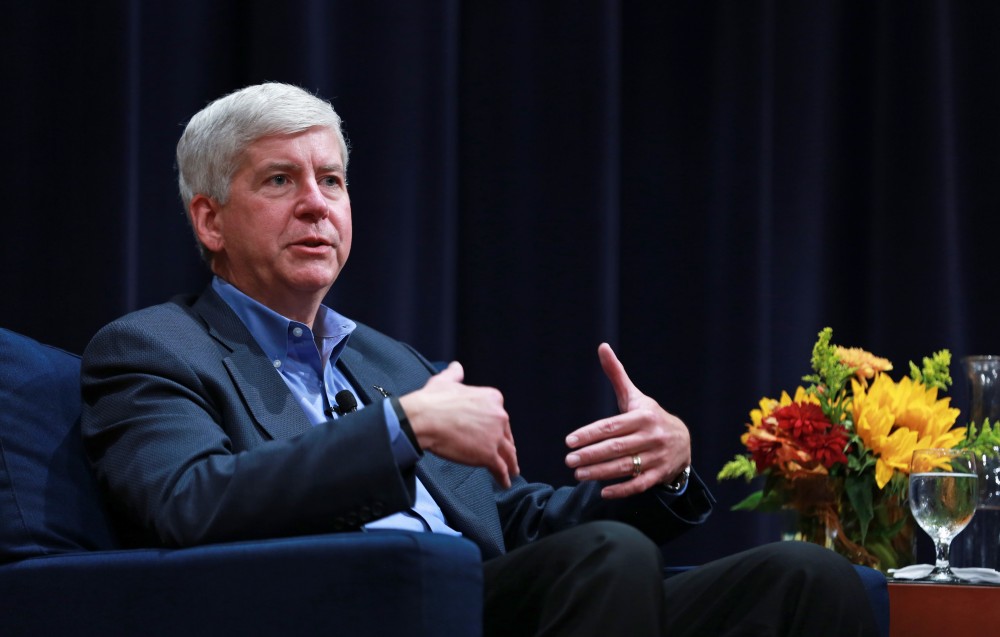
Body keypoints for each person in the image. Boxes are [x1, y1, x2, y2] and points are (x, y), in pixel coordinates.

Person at [81, 82, 879, 637]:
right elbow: (190, 501)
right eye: (281, 180)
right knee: (605, 562)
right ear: (210, 220)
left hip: (481, 599)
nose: (317, 203)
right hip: (345, 609)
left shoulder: (386, 359)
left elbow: (512, 520)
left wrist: (662, 474)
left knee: (807, 578)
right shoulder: (153, 348)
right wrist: (399, 428)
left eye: (333, 179)